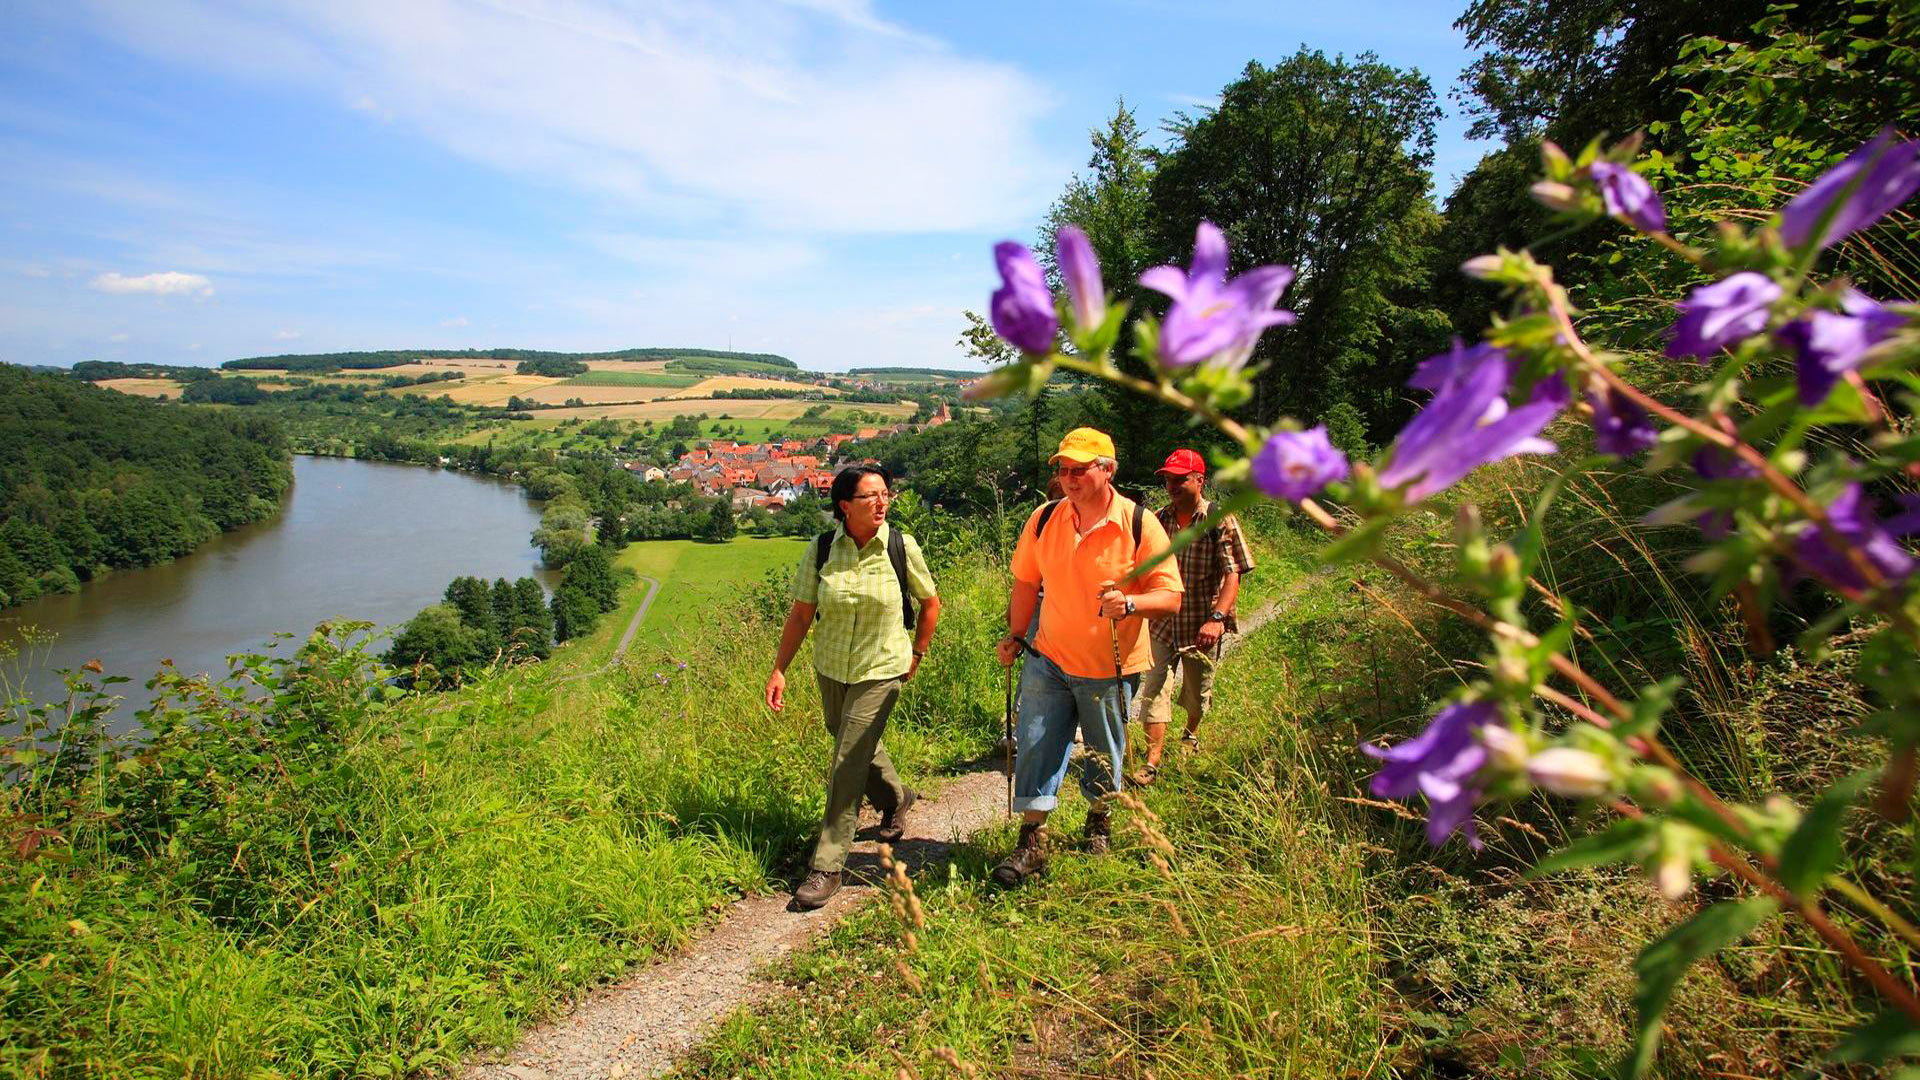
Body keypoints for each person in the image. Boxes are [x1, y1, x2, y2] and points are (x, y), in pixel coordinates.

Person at [992, 428, 1183, 886]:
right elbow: (1025, 583)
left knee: (1103, 751)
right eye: (1063, 469)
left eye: (1081, 469)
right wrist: (1017, 636)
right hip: (1049, 657)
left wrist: (1131, 604)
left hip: (1109, 666)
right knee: (1035, 742)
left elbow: (1171, 594)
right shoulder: (1044, 519)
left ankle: (1099, 817)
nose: (1070, 478)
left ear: (1108, 470)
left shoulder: (1139, 523)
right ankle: (1031, 841)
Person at [766, 464, 940, 910]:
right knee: (849, 739)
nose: (882, 503)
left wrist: (917, 653)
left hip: (882, 668)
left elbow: (930, 602)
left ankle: (827, 864)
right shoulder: (823, 548)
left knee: (846, 760)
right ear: (844, 506)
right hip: (831, 665)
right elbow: (802, 613)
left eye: (885, 494)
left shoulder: (901, 546)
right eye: (870, 497)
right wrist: (780, 668)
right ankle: (896, 796)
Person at [1130, 448, 1256, 785]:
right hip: (1161, 623)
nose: (1171, 485)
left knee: (1197, 693)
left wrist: (1217, 619)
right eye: (1168, 479)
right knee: (1154, 688)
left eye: (1180, 479)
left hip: (1201, 624)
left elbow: (1233, 574)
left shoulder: (1220, 520)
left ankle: (1190, 733)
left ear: (1199, 480)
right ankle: (1152, 760)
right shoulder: (1158, 519)